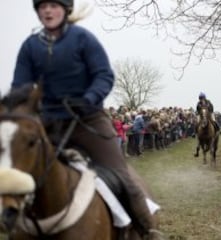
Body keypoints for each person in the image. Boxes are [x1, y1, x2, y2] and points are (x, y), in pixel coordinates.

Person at [11, 0, 155, 238]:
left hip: (88, 121)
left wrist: (88, 98)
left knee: (122, 176)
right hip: (48, 124)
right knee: (19, 170)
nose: (47, 10)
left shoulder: (82, 39)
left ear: (65, 10)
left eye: (53, 5)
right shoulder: (30, 46)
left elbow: (104, 75)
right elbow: (21, 87)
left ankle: (148, 230)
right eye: (42, 6)